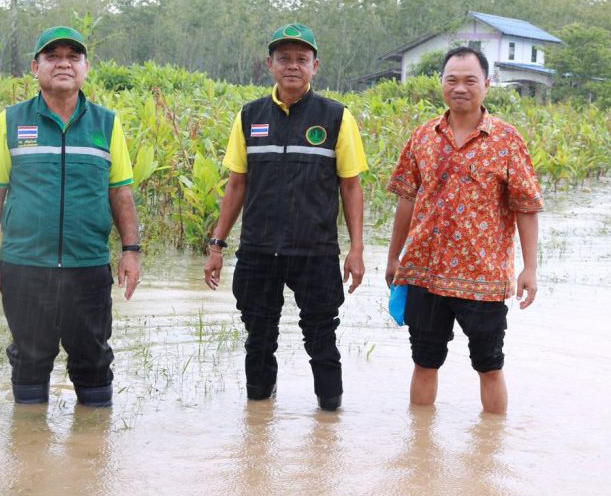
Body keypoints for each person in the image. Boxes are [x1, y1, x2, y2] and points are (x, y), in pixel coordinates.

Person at [203, 23, 368, 411]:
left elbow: (351, 187)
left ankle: (330, 420)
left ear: (315, 66)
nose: (292, 66)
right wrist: (217, 244)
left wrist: (356, 249)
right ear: (270, 65)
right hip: (259, 251)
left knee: (321, 337)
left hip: (316, 251)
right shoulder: (249, 117)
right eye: (284, 59)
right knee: (258, 339)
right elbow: (237, 184)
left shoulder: (336, 117)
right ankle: (258, 420)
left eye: (301, 59)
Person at [0, 25, 141, 407]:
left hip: (88, 266)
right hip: (25, 265)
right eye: (53, 57)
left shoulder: (106, 123)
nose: (63, 64)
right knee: (29, 361)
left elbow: (121, 191)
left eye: (73, 57)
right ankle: (30, 455)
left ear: (86, 68)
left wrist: (131, 250)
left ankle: (93, 453)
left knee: (94, 361)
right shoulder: (10, 121)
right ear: (36, 67)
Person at [385, 46, 543, 414]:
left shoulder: (506, 140)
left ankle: (490, 456)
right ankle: (419, 451)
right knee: (424, 362)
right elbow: (406, 200)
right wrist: (395, 258)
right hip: (425, 272)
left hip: (483, 277)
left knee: (489, 366)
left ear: (486, 84)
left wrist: (530, 267)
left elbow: (526, 206)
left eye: (470, 80)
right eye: (451, 80)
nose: (460, 88)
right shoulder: (423, 136)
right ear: (441, 83)